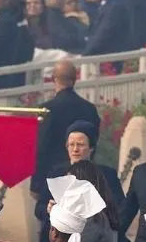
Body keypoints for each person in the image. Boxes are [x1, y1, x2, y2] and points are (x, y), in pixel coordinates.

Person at [34, 61, 99, 192]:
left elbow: (41, 147)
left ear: (54, 79)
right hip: (85, 176)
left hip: (53, 177)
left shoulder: (47, 109)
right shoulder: (90, 109)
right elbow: (94, 143)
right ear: (75, 80)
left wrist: (36, 184)